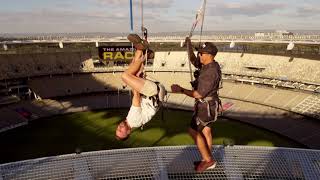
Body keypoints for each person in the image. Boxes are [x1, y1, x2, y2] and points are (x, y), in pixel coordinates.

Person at [171, 37, 222, 172]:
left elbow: (199, 94)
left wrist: (180, 89)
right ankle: (206, 158)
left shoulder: (210, 72)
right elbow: (193, 59)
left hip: (206, 107)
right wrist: (189, 45)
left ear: (209, 55)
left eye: (201, 53)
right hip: (210, 106)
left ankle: (209, 160)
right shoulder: (209, 65)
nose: (199, 55)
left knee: (193, 130)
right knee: (206, 130)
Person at [115, 34, 166, 141]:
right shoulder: (133, 121)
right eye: (121, 131)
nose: (119, 127)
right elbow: (136, 98)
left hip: (154, 92)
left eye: (117, 129)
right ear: (128, 132)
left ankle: (141, 49)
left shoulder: (133, 121)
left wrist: (136, 77)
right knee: (125, 76)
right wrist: (134, 81)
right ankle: (143, 53)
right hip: (152, 92)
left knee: (132, 67)